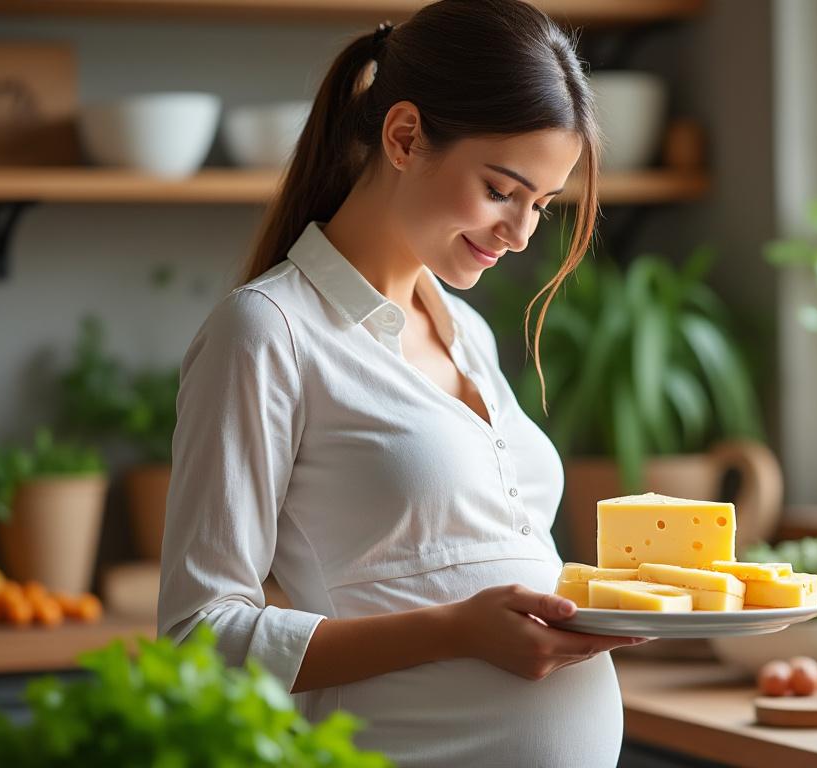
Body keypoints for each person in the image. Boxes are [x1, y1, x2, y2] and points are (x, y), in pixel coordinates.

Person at [157, 1, 645, 764]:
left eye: (541, 207)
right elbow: (198, 634)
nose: (520, 235)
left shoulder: (468, 334)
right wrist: (454, 630)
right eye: (500, 190)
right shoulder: (266, 332)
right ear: (406, 137)